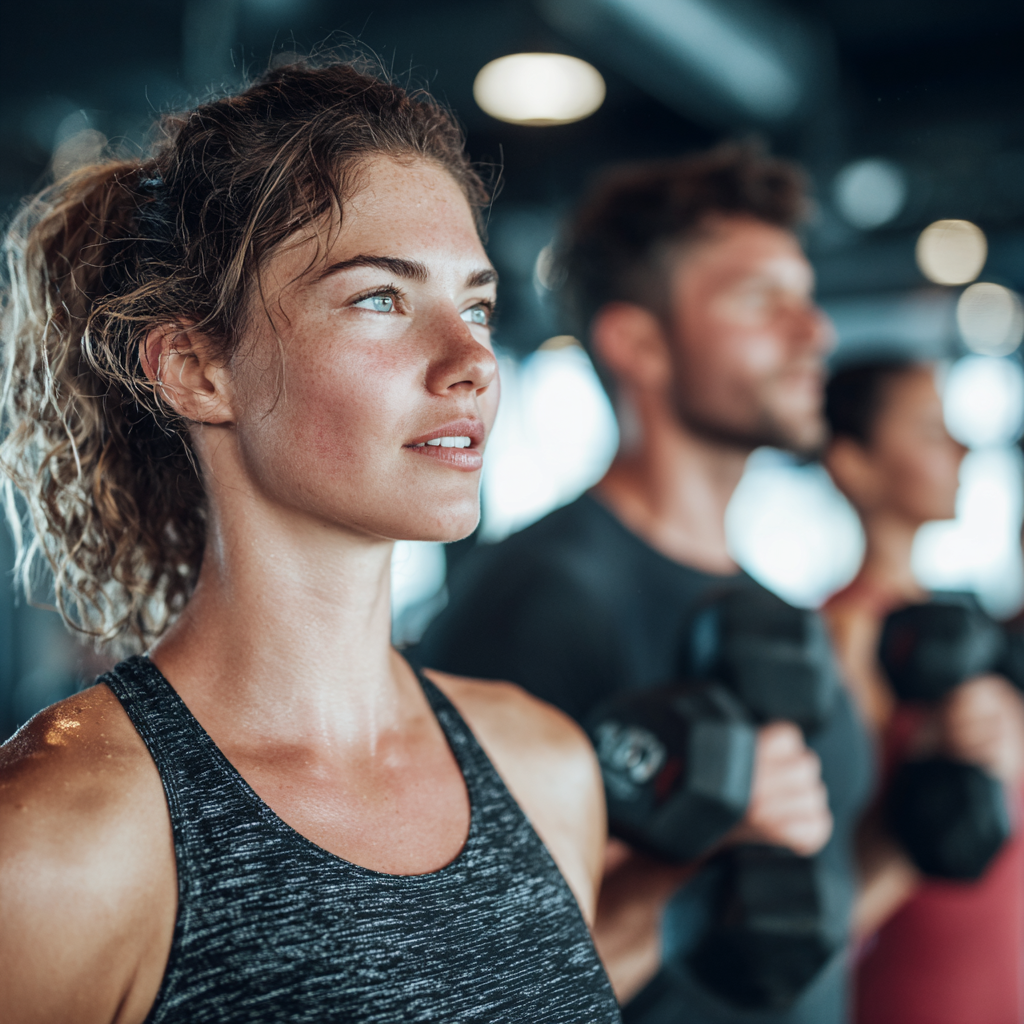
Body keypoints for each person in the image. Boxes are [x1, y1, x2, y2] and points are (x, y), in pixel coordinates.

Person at [0, 59, 622, 1024]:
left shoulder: (544, 767)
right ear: (200, 370)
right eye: (380, 297)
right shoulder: (60, 840)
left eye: (478, 305)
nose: (470, 364)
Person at [417, 147, 874, 1023]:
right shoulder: (535, 601)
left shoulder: (776, 610)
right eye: (760, 301)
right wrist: (689, 860)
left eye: (805, 300)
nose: (813, 331)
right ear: (640, 343)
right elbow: (468, 986)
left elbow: (808, 921)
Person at [822, 357, 1024, 1024]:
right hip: (915, 995)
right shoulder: (844, 635)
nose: (962, 449)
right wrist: (942, 771)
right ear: (853, 463)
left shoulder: (961, 628)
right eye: (932, 431)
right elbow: (832, 897)